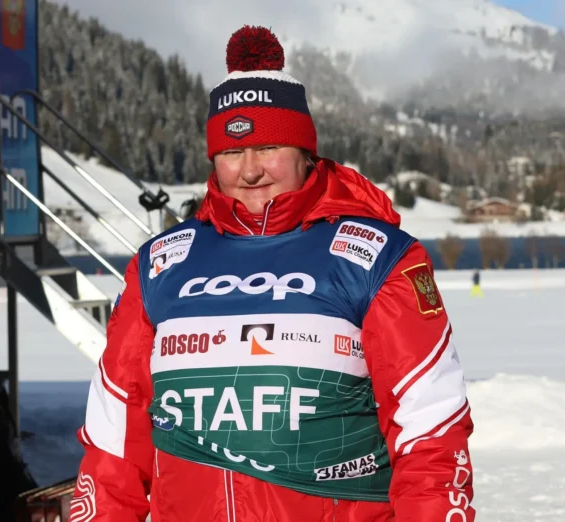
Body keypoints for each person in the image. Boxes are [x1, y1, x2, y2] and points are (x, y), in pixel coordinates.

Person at [70, 26, 475, 522]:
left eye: (268, 148)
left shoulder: (379, 259)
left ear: (306, 152)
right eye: (232, 152)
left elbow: (430, 435)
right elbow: (114, 446)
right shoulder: (160, 267)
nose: (250, 170)